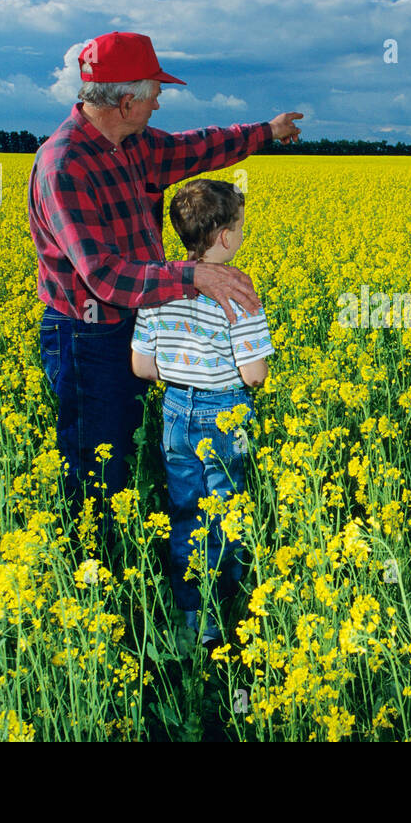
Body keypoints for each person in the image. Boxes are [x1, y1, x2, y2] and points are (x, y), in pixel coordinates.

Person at [28, 30, 300, 557]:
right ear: (127, 102)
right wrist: (194, 277)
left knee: (132, 453)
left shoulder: (133, 143)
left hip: (137, 320)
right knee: (97, 468)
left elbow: (194, 148)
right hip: (89, 333)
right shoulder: (65, 165)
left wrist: (266, 131)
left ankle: (142, 570)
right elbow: (102, 276)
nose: (161, 101)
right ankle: (95, 591)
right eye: (155, 93)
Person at [130, 179, 272, 646]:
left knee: (186, 512)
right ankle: (229, 600)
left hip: (175, 411)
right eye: (241, 228)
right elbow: (253, 376)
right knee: (226, 510)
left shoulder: (157, 290)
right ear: (227, 238)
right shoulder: (238, 293)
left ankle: (194, 617)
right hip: (224, 415)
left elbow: (142, 366)